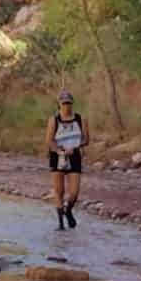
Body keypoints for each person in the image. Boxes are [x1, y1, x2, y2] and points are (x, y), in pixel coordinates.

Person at [45, 91, 89, 230]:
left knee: (74, 192)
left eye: (68, 103)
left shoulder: (81, 119)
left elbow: (86, 139)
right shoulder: (54, 120)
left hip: (74, 155)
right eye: (64, 103)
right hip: (58, 155)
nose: (66, 106)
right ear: (59, 104)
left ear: (72, 103)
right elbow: (49, 140)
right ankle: (60, 224)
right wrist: (59, 151)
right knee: (59, 191)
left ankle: (68, 209)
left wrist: (76, 147)